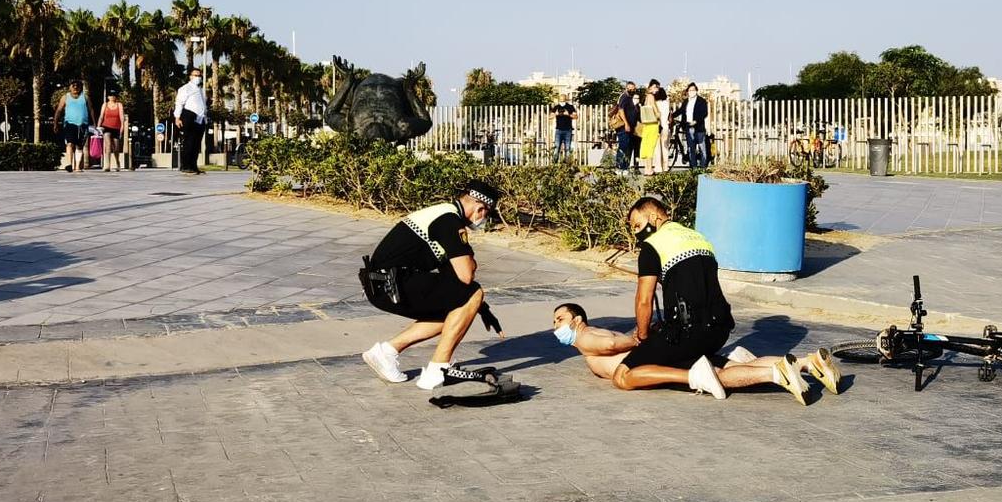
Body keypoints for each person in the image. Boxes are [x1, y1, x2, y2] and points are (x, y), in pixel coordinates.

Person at [610, 196, 830, 403]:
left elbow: (644, 300)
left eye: (637, 225)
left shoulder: (653, 245)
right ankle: (807, 364)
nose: (636, 233)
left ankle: (698, 378)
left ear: (653, 217)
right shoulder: (699, 238)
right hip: (719, 329)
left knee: (623, 375)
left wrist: (643, 336)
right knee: (718, 364)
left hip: (685, 332)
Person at [358, 181, 507, 389]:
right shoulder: (449, 220)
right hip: (392, 284)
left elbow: (455, 278)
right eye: (486, 215)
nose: (484, 220)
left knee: (457, 306)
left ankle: (386, 352)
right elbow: (466, 274)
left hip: (384, 285)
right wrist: (474, 287)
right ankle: (438, 369)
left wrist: (481, 308)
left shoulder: (445, 215)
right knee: (471, 293)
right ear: (480, 208)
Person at [549, 302, 835, 403]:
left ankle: (776, 373)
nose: (555, 327)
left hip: (650, 363)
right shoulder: (594, 331)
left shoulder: (585, 338)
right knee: (722, 365)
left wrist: (638, 341)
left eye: (559, 319)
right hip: (658, 355)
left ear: (577, 319)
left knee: (720, 374)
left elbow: (612, 346)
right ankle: (809, 363)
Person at [172, 71, 208, 175]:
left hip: (200, 118)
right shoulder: (185, 88)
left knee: (196, 144)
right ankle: (186, 166)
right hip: (189, 116)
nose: (198, 77)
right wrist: (177, 118)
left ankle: (193, 166)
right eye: (196, 75)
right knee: (189, 142)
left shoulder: (200, 90)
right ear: (191, 76)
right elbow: (179, 103)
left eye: (199, 75)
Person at [54, 80, 91, 173]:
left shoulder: (85, 97)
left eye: (77, 86)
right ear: (70, 87)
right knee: (70, 144)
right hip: (69, 124)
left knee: (79, 146)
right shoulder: (65, 97)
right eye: (73, 85)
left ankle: (77, 167)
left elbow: (91, 110)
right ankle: (69, 164)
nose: (75, 87)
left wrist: (94, 123)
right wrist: (55, 123)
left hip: (83, 125)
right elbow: (59, 110)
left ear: (80, 87)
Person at [679, 83, 710, 169]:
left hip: (699, 127)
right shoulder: (686, 101)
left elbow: (704, 113)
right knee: (691, 148)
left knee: (702, 147)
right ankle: (694, 167)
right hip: (688, 127)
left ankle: (703, 166)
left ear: (696, 90)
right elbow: (681, 111)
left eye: (693, 90)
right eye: (689, 90)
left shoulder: (702, 101)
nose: (691, 92)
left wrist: (696, 121)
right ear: (687, 91)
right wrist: (671, 116)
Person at [637, 80, 663, 175]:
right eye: (656, 87)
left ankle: (647, 168)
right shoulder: (651, 96)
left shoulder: (645, 97)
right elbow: (656, 111)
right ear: (651, 87)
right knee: (651, 147)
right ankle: (649, 169)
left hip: (646, 125)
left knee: (646, 146)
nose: (657, 90)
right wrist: (659, 114)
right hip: (652, 124)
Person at [99, 89, 127, 172]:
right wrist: (98, 126)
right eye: (110, 95)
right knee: (107, 145)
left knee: (116, 147)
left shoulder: (119, 105)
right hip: (106, 126)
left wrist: (122, 127)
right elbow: (101, 116)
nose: (112, 97)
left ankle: (117, 162)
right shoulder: (105, 105)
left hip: (116, 127)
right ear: (108, 97)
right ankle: (107, 165)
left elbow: (122, 117)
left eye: (114, 95)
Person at [615, 83, 642, 171]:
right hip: (624, 127)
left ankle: (625, 167)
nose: (631, 90)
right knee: (623, 146)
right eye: (629, 88)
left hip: (631, 127)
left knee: (627, 147)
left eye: (633, 88)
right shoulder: (624, 97)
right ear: (626, 88)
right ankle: (620, 167)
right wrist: (626, 123)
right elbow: (621, 110)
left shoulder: (630, 98)